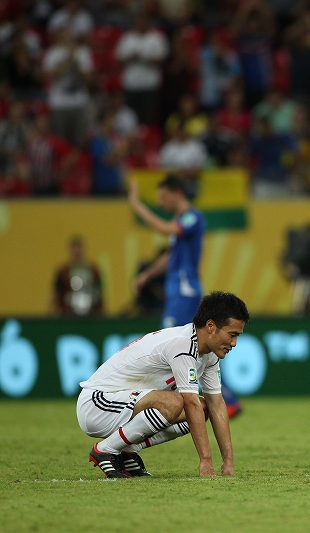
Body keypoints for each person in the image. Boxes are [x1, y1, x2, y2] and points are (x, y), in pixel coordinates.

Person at [77, 291, 249, 478]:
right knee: (178, 403)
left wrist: (228, 462)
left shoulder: (209, 353)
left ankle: (126, 450)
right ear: (210, 326)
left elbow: (217, 404)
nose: (234, 343)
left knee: (203, 408)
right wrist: (206, 462)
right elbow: (189, 403)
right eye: (232, 335)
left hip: (124, 403)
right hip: (96, 404)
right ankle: (105, 450)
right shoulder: (182, 344)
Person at [128, 174, 242, 417]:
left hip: (184, 290)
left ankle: (159, 401)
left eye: (163, 197)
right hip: (177, 290)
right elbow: (171, 256)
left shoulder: (192, 217)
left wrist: (138, 206)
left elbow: (163, 227)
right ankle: (226, 399)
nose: (161, 203)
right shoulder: (181, 223)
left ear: (177, 194)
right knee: (197, 346)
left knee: (168, 344)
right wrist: (147, 274)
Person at [52, 236, 103, 316]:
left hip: (90, 315)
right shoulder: (64, 272)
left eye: (79, 249)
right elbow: (55, 294)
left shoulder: (94, 271)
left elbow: (100, 294)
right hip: (68, 314)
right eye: (74, 249)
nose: (77, 252)